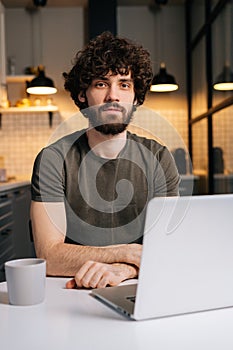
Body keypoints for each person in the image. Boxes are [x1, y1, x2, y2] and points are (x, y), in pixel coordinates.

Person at [30, 31, 180, 289]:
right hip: (71, 290)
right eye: (101, 84)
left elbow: (169, 249)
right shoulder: (53, 160)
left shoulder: (159, 157)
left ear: (135, 97)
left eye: (124, 84)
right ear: (82, 95)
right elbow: (48, 256)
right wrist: (129, 254)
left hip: (140, 287)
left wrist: (123, 270)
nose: (113, 96)